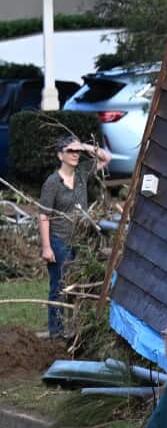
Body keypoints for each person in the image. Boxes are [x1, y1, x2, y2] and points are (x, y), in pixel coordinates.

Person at [37, 135, 110, 337]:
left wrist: (83, 145)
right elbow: (44, 214)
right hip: (60, 241)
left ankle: (76, 329)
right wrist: (46, 247)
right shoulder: (52, 183)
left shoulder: (82, 174)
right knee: (59, 286)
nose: (75, 154)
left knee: (79, 286)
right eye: (70, 151)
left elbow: (106, 158)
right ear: (60, 155)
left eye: (76, 151)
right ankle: (56, 331)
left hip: (82, 242)